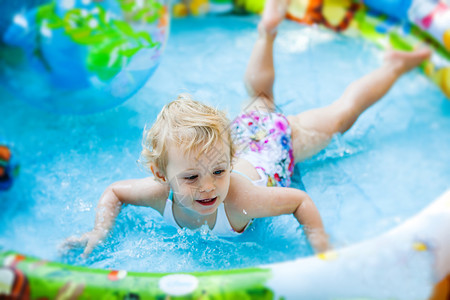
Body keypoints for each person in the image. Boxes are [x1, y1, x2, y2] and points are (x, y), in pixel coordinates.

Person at [63, 0, 431, 258]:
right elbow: (114, 192)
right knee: (258, 97)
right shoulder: (159, 192)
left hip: (275, 142)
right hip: (239, 136)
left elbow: (301, 202)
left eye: (218, 173)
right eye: (190, 178)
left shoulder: (241, 198)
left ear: (228, 160)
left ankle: (394, 66)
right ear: (161, 175)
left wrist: (320, 245)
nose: (208, 186)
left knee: (339, 117)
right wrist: (99, 231)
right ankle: (267, 30)